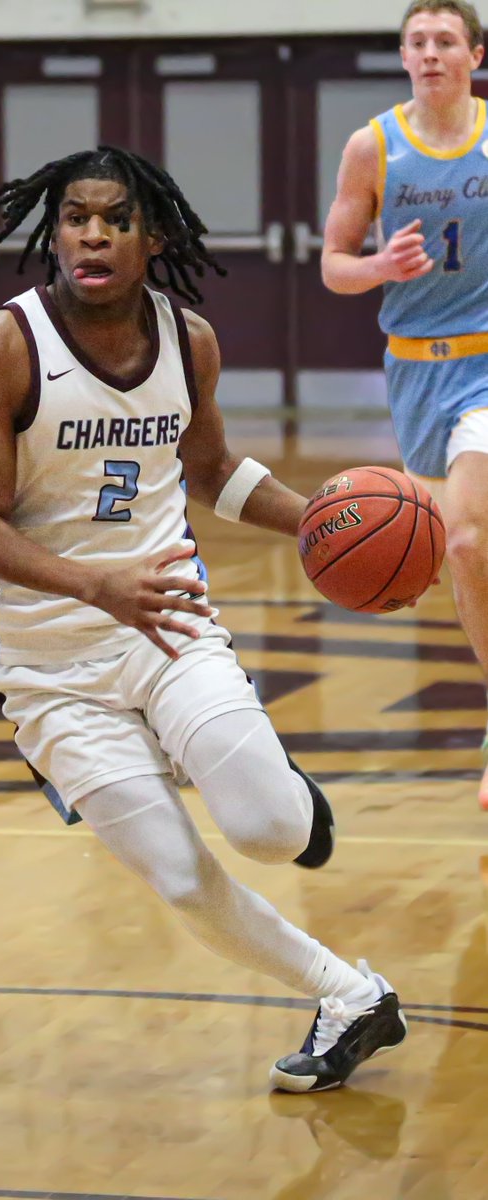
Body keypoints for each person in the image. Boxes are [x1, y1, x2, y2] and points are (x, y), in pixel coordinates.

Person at [0, 145, 407, 1095]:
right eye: (75, 216)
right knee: (178, 874)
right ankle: (350, 997)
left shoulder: (186, 337)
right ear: (55, 232)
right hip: (45, 665)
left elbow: (210, 474)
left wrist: (329, 518)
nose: (91, 234)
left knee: (272, 832)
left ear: (150, 237)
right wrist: (89, 584)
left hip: (167, 627)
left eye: (114, 218)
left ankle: (285, 793)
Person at [322, 0, 488, 810]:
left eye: (444, 40)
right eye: (416, 41)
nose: (429, 53)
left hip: (486, 365)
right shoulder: (373, 146)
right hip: (414, 371)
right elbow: (331, 264)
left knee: (462, 537)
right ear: (402, 57)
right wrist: (379, 265)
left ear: (473, 54)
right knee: (461, 542)